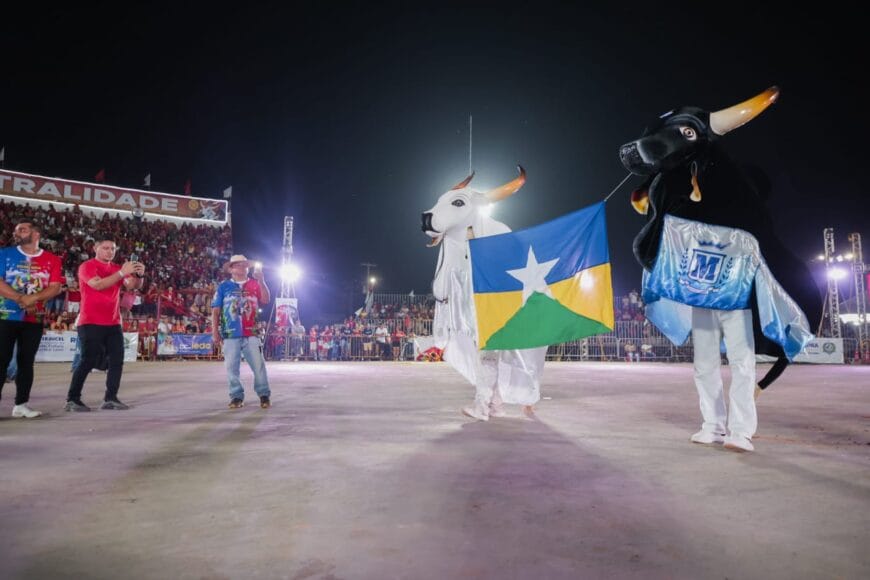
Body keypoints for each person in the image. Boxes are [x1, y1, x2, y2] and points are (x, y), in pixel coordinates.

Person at [65, 239, 145, 411]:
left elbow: (132, 286)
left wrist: (139, 275)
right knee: (87, 361)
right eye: (106, 248)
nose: (110, 251)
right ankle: (72, 399)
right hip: (90, 321)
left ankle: (111, 398)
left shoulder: (117, 268)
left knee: (117, 361)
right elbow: (98, 285)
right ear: (95, 248)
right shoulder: (87, 266)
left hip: (113, 322)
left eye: (113, 249)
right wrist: (122, 273)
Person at [0, 221, 64, 418]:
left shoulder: (52, 259)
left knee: (26, 362)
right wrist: (22, 298)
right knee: (1, 360)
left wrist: (33, 298)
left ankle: (21, 404)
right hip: (5, 315)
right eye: (16, 230)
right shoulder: (5, 253)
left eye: (22, 229)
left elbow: (55, 287)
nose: (16, 233)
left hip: (33, 318)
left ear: (36, 234)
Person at [211, 254, 271, 409]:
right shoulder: (223, 287)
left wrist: (262, 280)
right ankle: (236, 396)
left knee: (259, 365)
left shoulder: (255, 284)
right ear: (231, 269)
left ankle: (264, 394)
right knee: (231, 367)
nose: (241, 267)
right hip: (230, 334)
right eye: (237, 265)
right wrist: (215, 332)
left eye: (244, 265)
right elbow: (215, 311)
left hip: (252, 332)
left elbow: (266, 300)